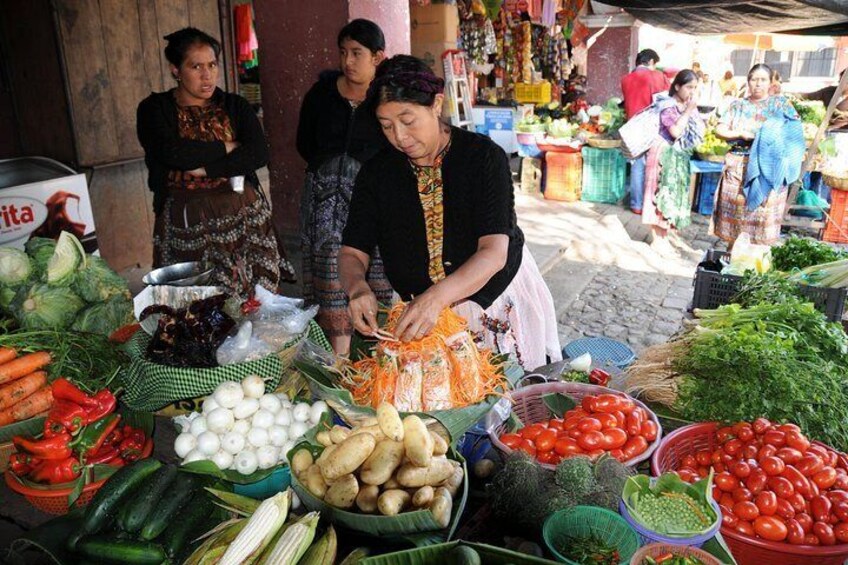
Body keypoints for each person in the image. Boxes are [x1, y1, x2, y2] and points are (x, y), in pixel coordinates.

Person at [339, 55, 561, 370]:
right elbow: (352, 251)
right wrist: (357, 288)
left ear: (436, 104)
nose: (399, 137)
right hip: (421, 307)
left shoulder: (484, 158)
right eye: (387, 126)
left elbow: (494, 252)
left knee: (502, 390)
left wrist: (436, 298)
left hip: (492, 298)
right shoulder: (377, 173)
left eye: (408, 120)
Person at [136, 27, 295, 298]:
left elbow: (258, 153)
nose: (206, 75)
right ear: (176, 69)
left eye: (211, 65)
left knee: (257, 295)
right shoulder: (155, 109)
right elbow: (171, 152)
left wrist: (208, 168)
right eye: (195, 66)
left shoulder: (235, 106)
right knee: (199, 300)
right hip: (188, 219)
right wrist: (226, 146)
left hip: (243, 213)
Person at [296, 19, 393, 354]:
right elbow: (304, 142)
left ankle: (376, 353)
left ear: (378, 57)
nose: (348, 61)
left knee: (371, 271)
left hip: (370, 200)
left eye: (357, 53)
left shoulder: (386, 97)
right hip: (324, 203)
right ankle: (339, 362)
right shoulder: (321, 94)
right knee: (330, 274)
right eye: (343, 52)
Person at [712, 64, 802, 246]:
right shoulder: (738, 105)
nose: (758, 84)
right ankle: (733, 256)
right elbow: (719, 129)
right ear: (748, 82)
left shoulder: (781, 104)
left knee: (763, 217)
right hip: (739, 169)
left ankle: (756, 260)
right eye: (754, 79)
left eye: (763, 80)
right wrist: (739, 134)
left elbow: (794, 133)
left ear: (770, 83)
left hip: (769, 169)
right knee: (737, 218)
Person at [641, 70, 705, 254]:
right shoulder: (667, 105)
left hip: (679, 155)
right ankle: (657, 239)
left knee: (672, 197)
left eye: (695, 88)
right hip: (664, 153)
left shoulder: (684, 105)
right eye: (688, 87)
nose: (691, 91)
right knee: (660, 194)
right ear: (677, 86)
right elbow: (675, 131)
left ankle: (664, 237)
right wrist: (689, 110)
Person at [621, 49, 670, 215]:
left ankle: (636, 204)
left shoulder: (625, 79)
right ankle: (650, 205)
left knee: (637, 165)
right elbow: (667, 100)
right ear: (650, 61)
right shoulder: (658, 76)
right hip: (652, 126)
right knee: (653, 165)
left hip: (632, 126)